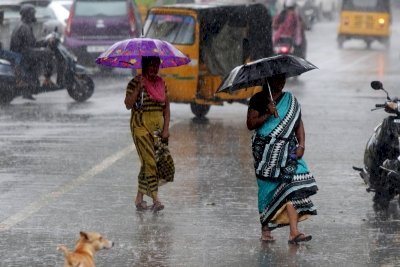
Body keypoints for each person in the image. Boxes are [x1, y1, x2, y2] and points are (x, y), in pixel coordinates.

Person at [246, 73, 318, 244]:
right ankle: (266, 229)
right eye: (279, 78)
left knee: (293, 186)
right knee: (268, 190)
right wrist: (268, 114)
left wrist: (301, 145)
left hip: (288, 150)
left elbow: (298, 124)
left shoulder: (290, 100)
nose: (283, 82)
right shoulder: (258, 99)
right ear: (269, 80)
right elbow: (250, 124)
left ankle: (294, 232)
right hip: (265, 152)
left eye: (284, 78)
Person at [124, 56, 175, 212]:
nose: (153, 68)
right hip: (140, 127)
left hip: (158, 129)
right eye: (150, 65)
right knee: (150, 162)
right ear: (144, 66)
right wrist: (139, 88)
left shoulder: (161, 83)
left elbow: (166, 109)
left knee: (155, 163)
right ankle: (156, 199)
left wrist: (166, 129)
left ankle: (139, 198)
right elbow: (128, 104)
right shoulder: (135, 82)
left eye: (156, 65)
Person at [10, 4, 55, 100]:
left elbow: (32, 43)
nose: (34, 16)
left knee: (43, 52)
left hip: (22, 52)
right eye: (33, 14)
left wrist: (45, 41)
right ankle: (47, 80)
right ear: (28, 14)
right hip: (23, 54)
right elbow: (32, 45)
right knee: (48, 53)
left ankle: (30, 87)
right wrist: (45, 43)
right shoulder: (24, 27)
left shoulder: (23, 25)